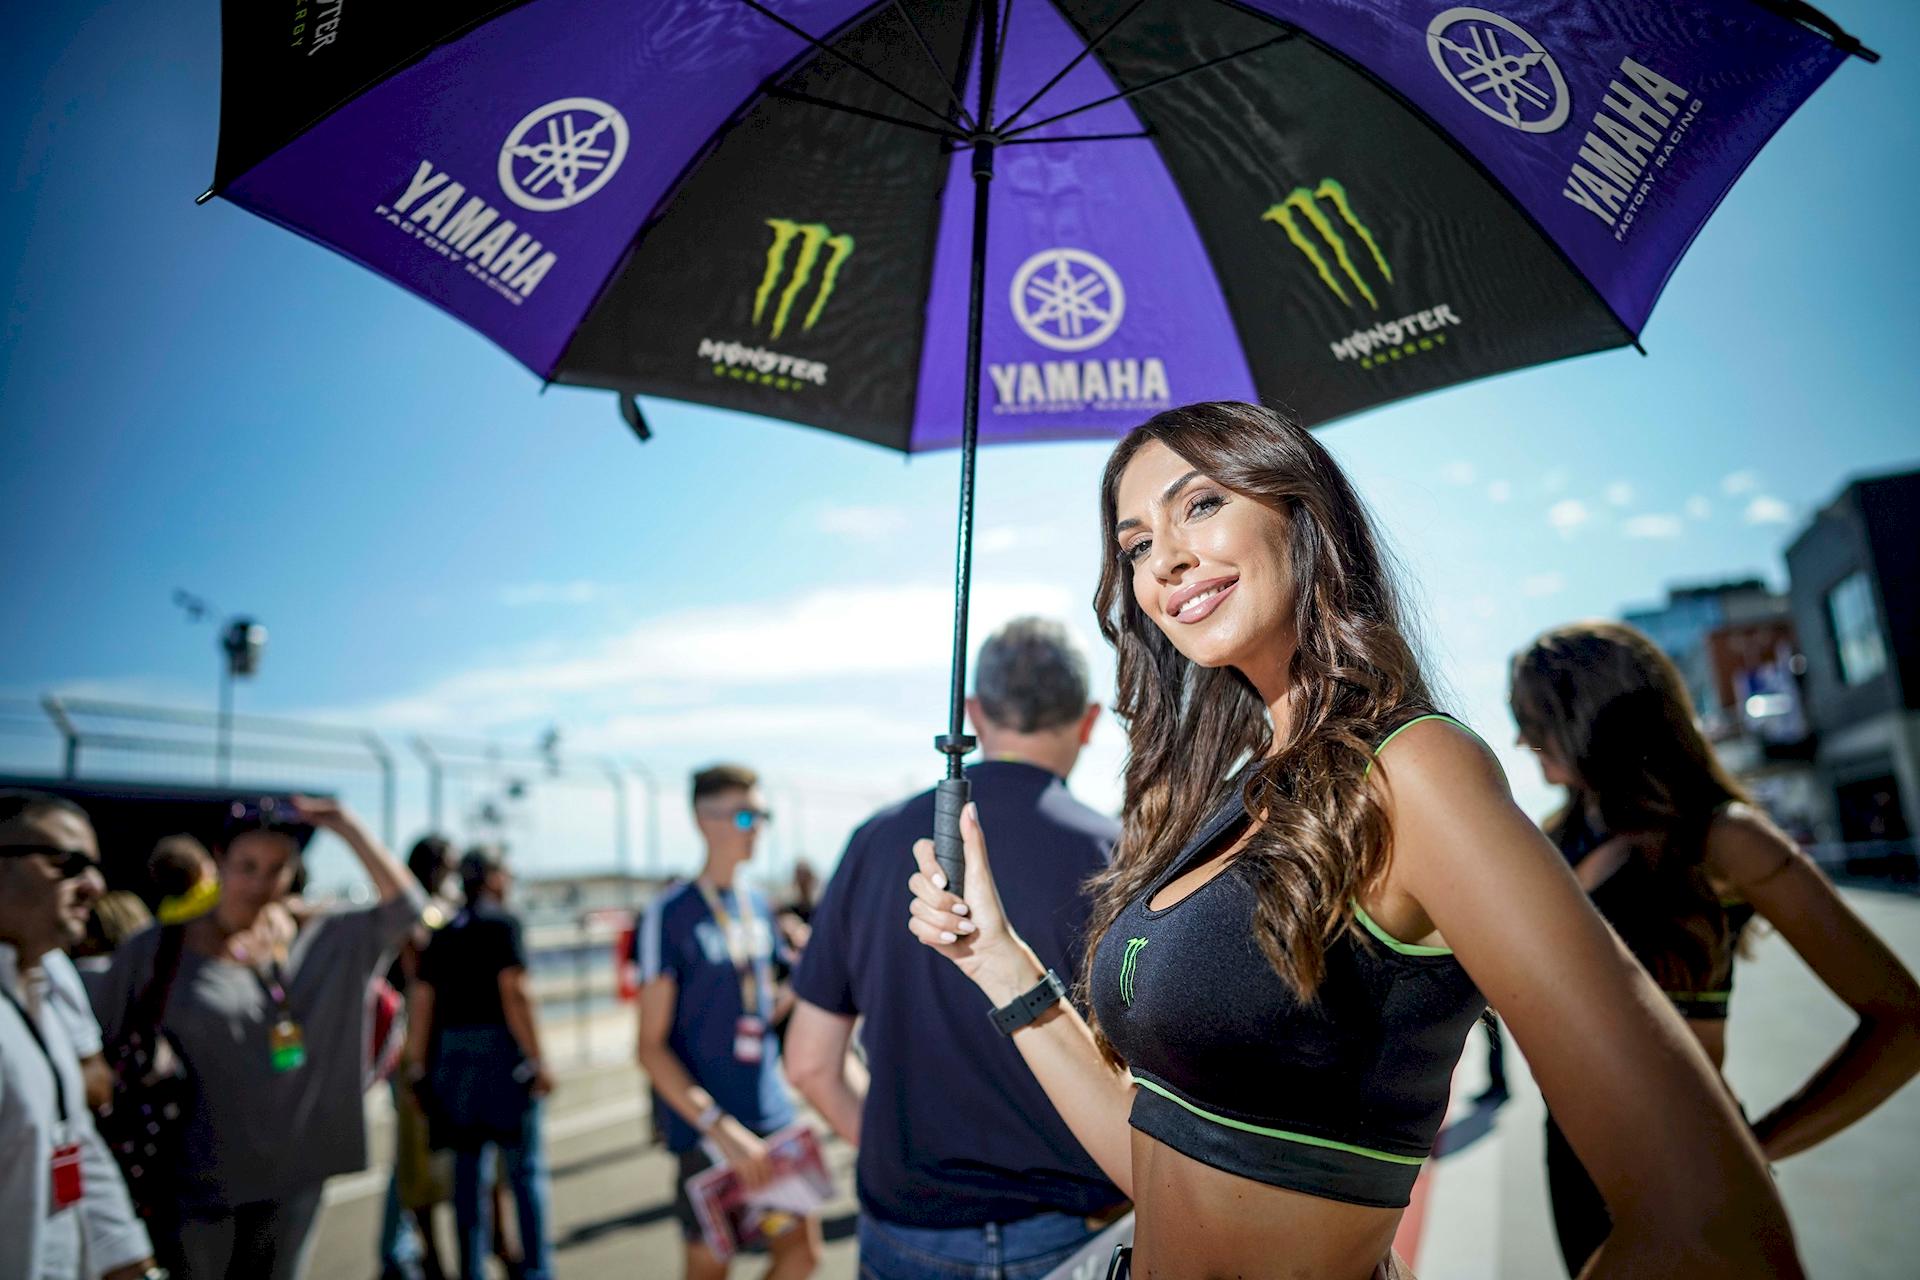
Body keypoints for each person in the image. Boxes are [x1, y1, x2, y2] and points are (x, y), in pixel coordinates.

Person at [904, 401, 1805, 1279]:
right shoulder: (1232, 802)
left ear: (1301, 512)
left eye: (1202, 504)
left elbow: (1714, 1225)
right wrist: (1001, 966)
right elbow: (1156, 1165)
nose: (1165, 560)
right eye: (1136, 545)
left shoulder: (1416, 772)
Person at [1510, 620, 1920, 1273]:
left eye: (1532, 716)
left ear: (1594, 718)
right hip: (1573, 1166)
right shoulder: (1555, 839)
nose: (1520, 738)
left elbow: (1905, 1019)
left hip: (1692, 1173)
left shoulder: (1723, 837)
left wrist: (1756, 1148)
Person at [787, 617, 1124, 1279]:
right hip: (1075, 1237)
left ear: (974, 713)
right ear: (1087, 722)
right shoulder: (1118, 853)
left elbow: (808, 1064)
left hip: (907, 1233)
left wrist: (901, 1161)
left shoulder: (874, 841)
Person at [90, 796, 424, 1280]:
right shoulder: (158, 950)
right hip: (193, 1185)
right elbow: (100, 1044)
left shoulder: (315, 944)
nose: (260, 883)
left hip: (291, 1181)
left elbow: (408, 909)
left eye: (276, 868)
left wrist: (347, 826)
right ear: (217, 861)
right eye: (247, 865)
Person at [634, 764, 818, 1280]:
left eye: (761, 814)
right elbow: (649, 1046)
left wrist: (805, 975)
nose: (756, 826)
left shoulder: (757, 905)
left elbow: (758, 1011)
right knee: (710, 1268)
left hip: (772, 1120)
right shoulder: (669, 914)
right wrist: (720, 1128)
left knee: (801, 1254)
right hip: (713, 1136)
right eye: (744, 814)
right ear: (702, 819)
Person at [0, 790, 159, 1280]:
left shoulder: (46, 979)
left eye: (92, 865)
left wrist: (135, 1266)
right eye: (64, 862)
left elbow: (74, 1138)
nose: (94, 884)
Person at [410, 845, 554, 1280]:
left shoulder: (445, 926)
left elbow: (422, 999)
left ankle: (471, 1269)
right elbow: (515, 991)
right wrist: (539, 1059)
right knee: (524, 1173)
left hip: (452, 1060)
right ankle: (536, 1271)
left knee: (467, 1178)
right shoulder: (503, 923)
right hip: (499, 1055)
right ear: (493, 877)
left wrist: (418, 1068)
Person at [378, 836, 459, 1280]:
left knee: (412, 1157)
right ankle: (399, 1251)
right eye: (446, 863)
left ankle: (399, 1247)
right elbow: (419, 975)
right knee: (412, 1158)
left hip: (415, 1043)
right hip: (414, 1045)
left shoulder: (417, 908)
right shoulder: (417, 913)